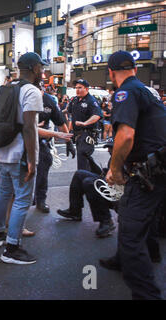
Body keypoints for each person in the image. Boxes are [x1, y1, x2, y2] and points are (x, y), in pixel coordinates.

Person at [99, 50, 166, 300]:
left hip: (148, 173)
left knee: (130, 232)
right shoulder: (145, 90)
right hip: (158, 168)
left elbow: (126, 135)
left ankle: (146, 294)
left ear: (111, 72)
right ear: (135, 69)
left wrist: (114, 170)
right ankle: (122, 260)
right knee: (137, 219)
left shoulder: (125, 92)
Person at [0, 52, 46, 264]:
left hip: (2, 150)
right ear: (33, 68)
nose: (43, 71)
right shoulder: (31, 91)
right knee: (22, 199)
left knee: (4, 194)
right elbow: (30, 128)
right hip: (20, 153)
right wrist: (32, 160)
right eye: (41, 67)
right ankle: (11, 248)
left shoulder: (6, 88)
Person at [56, 142, 116, 237]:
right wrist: (91, 161)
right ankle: (75, 211)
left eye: (111, 149)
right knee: (79, 174)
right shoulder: (113, 157)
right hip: (109, 182)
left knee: (89, 183)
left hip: (118, 190)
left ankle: (106, 220)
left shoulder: (123, 158)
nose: (108, 151)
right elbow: (103, 175)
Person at [34, 89, 74, 213]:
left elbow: (61, 122)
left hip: (41, 141)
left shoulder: (48, 101)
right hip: (21, 141)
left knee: (44, 165)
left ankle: (40, 199)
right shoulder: (20, 96)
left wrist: (69, 142)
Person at [68, 79, 102, 172]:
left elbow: (97, 115)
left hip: (87, 134)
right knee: (83, 160)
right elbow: (70, 113)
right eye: (76, 88)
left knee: (83, 160)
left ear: (86, 89)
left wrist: (85, 123)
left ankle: (85, 180)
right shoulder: (75, 100)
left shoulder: (91, 100)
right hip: (77, 135)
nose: (77, 90)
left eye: (80, 88)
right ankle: (96, 176)